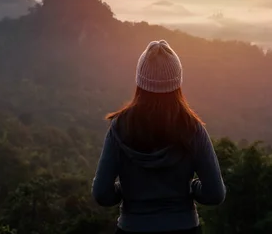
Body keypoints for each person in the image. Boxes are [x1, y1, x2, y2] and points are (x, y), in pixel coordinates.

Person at [92, 40, 226, 233]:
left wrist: (127, 191)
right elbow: (215, 194)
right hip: (184, 227)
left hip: (133, 227)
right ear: (177, 83)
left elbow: (101, 194)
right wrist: (192, 187)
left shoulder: (120, 127)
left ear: (140, 82)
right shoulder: (192, 128)